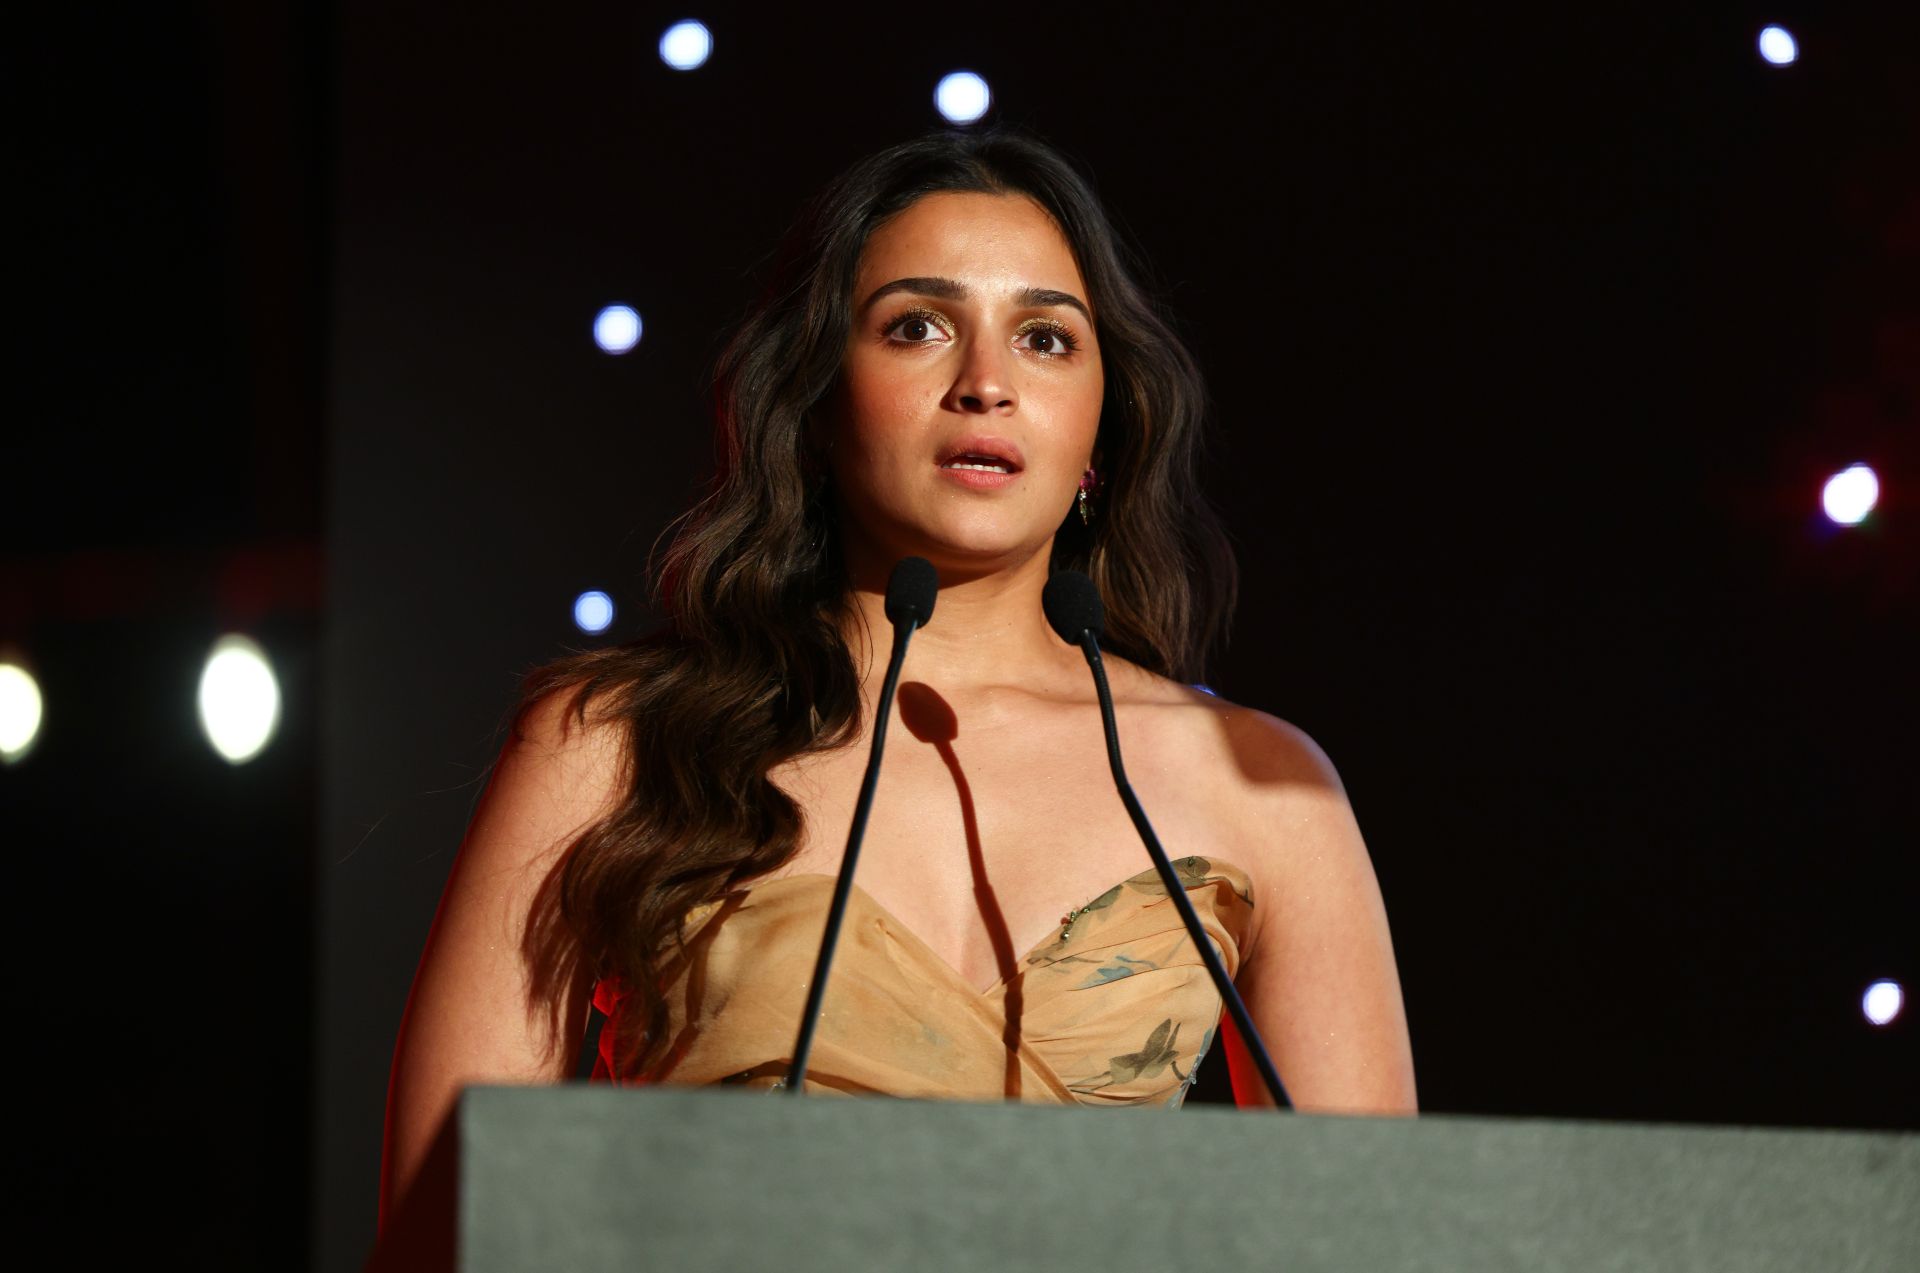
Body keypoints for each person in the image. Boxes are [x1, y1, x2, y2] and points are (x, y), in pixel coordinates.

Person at [378, 127, 1417, 1232]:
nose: (985, 385)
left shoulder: (1262, 788)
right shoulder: (611, 744)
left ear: (1101, 435)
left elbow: (1377, 1241)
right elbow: (439, 1232)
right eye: (917, 327)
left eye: (1046, 339)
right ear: (819, 400)